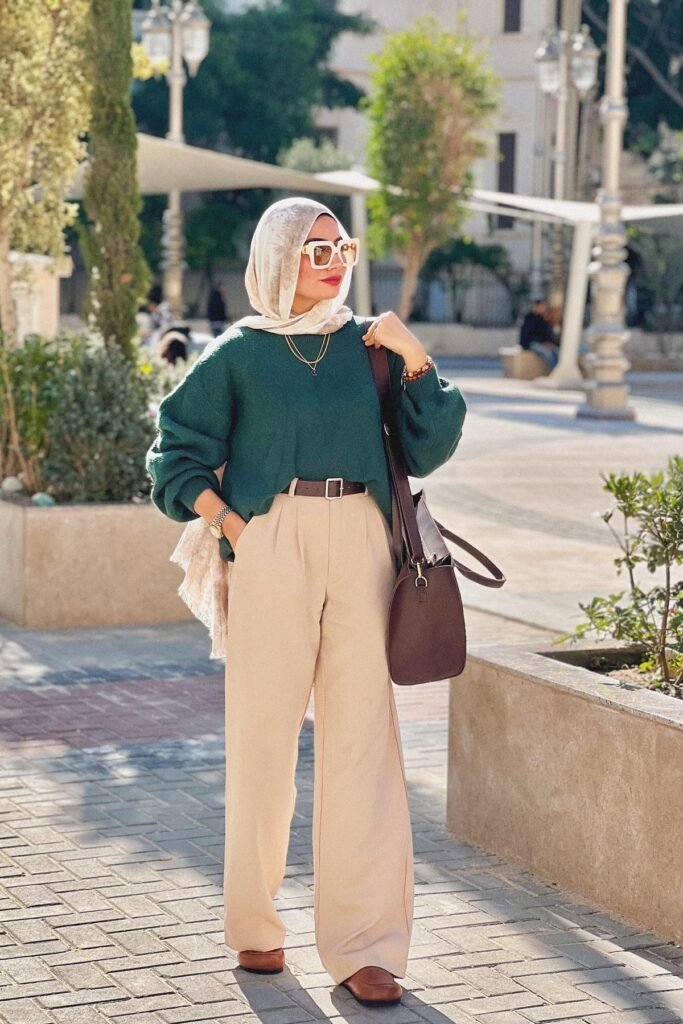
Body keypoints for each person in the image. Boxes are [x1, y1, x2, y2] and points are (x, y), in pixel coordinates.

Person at [146, 197, 467, 1006]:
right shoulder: (237, 356)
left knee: (363, 743)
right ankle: (255, 926)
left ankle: (364, 947)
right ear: (280, 256)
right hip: (271, 541)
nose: (334, 258)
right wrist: (235, 528)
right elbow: (173, 453)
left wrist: (415, 355)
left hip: (363, 541)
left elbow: (430, 444)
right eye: (316, 247)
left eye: (342, 245)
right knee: (262, 740)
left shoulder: (372, 348)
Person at [519, 297, 559, 369]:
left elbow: (547, 334)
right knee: (547, 354)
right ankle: (554, 370)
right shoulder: (529, 318)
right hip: (531, 343)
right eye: (542, 306)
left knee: (557, 352)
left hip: (543, 343)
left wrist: (549, 343)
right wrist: (542, 343)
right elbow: (528, 335)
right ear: (536, 307)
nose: (543, 308)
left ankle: (559, 369)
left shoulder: (544, 319)